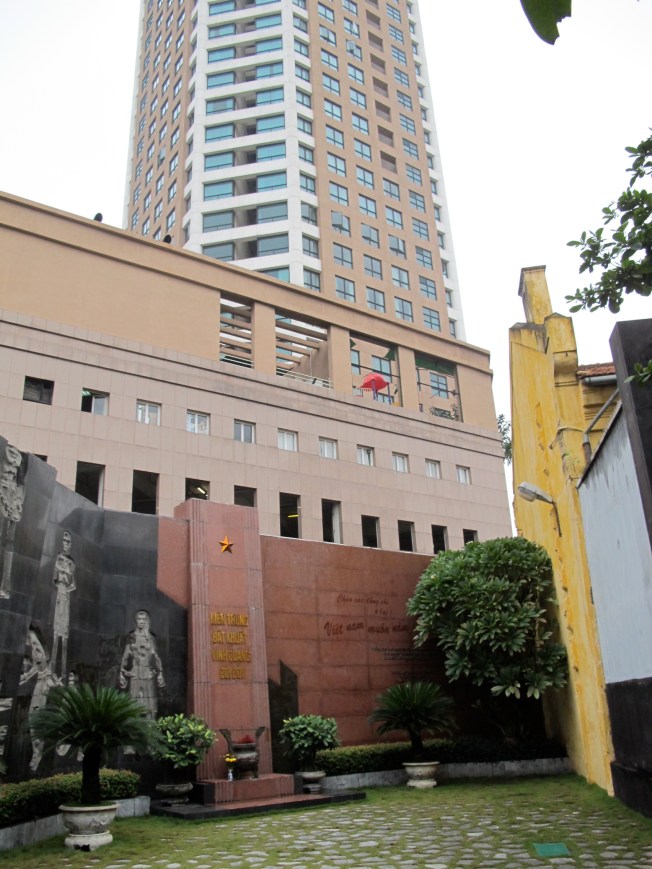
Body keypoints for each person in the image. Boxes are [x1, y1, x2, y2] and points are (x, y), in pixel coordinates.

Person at [118, 610, 165, 718]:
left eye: (144, 619)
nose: (142, 621)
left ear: (147, 621)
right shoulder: (131, 637)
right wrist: (121, 672)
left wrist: (160, 672)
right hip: (135, 673)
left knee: (150, 703)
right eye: (139, 619)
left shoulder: (151, 638)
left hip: (148, 673)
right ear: (135, 621)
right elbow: (125, 655)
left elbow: (156, 656)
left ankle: (151, 724)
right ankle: (133, 725)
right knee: (133, 701)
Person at [51, 530, 76, 680]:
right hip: (59, 596)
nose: (65, 543)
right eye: (64, 540)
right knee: (56, 632)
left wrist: (65, 589)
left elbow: (74, 584)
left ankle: (64, 673)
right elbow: (54, 579)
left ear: (70, 544)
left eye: (68, 541)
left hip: (65, 597)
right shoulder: (58, 558)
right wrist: (60, 584)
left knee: (64, 634)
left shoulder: (71, 562)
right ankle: (52, 671)